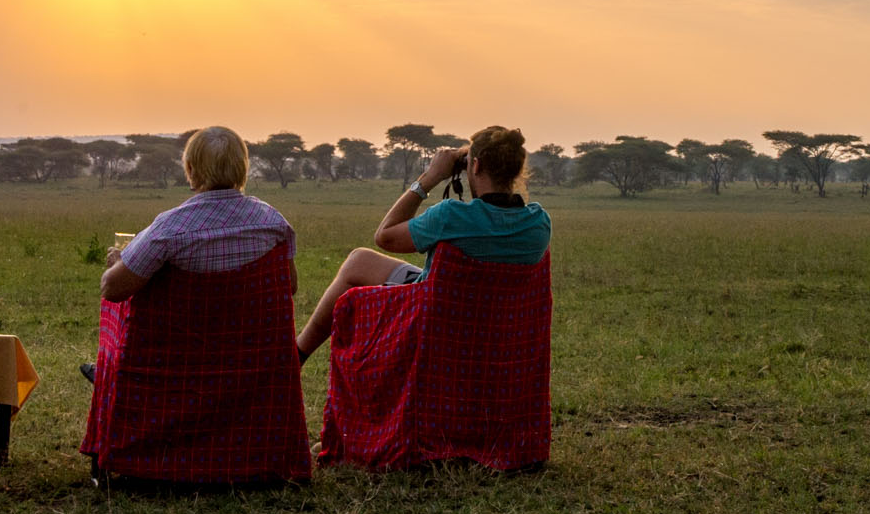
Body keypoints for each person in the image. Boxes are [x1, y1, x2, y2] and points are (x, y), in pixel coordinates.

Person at [294, 124, 548, 363]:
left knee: (358, 261)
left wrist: (430, 176)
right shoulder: (538, 223)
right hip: (499, 326)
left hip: (438, 317)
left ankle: (299, 353)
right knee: (364, 259)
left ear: (477, 165)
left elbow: (385, 236)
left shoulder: (451, 216)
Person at [98, 126, 293, 301]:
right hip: (254, 339)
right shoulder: (274, 223)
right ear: (243, 168)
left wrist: (120, 262)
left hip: (175, 341)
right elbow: (289, 285)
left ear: (190, 169)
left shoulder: (170, 228)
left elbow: (112, 289)